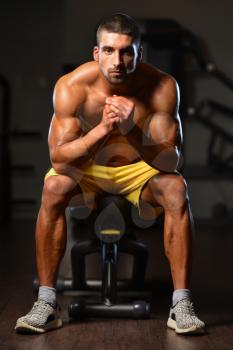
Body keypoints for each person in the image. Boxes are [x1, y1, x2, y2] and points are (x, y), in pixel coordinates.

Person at [15, 13, 205, 335]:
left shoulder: (161, 87)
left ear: (139, 53)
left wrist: (131, 131)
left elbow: (171, 162)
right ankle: (46, 303)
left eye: (127, 51)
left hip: (140, 169)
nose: (118, 61)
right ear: (96, 52)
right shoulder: (72, 88)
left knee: (176, 189)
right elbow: (59, 160)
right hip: (87, 167)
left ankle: (181, 304)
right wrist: (102, 130)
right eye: (109, 51)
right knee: (53, 188)